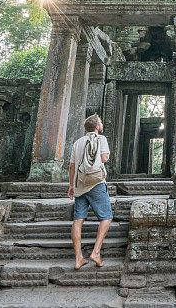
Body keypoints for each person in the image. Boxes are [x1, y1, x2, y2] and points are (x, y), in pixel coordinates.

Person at [68, 113, 112, 270]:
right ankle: (96, 252)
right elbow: (104, 158)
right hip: (96, 183)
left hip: (80, 185)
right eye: (100, 123)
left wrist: (71, 186)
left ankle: (79, 258)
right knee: (106, 217)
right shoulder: (101, 139)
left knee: (78, 220)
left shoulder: (77, 143)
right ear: (97, 127)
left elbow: (72, 166)